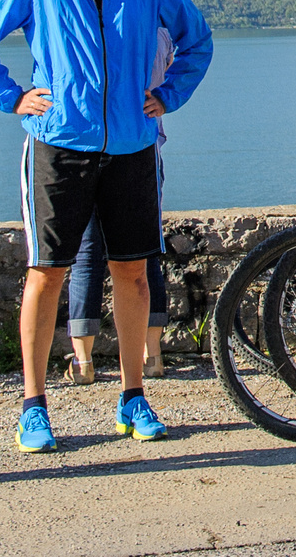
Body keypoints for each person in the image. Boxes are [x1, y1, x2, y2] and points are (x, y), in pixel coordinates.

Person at [0, 0, 215, 454]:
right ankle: (33, 405)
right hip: (58, 145)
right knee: (47, 273)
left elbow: (197, 40)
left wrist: (167, 96)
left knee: (132, 271)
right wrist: (11, 98)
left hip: (133, 146)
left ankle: (133, 395)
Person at [65, 27, 174, 384]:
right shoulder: (161, 36)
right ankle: (152, 354)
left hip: (89, 149)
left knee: (86, 254)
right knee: (144, 255)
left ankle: (83, 361)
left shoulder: (111, 31)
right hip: (145, 148)